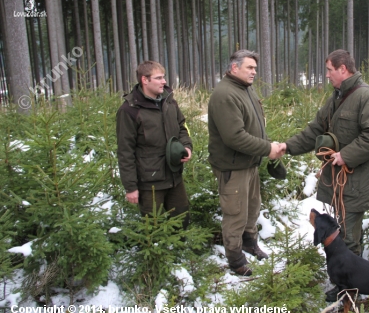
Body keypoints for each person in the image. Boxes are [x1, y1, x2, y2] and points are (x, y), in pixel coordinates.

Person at [279, 49, 369, 300]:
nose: (326, 74)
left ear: (343, 69)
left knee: (348, 238)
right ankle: (346, 282)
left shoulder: (367, 98)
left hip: (358, 183)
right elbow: (315, 130)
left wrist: (346, 155)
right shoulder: (336, 98)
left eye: (329, 69)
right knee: (344, 231)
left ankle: (349, 291)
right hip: (343, 184)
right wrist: (287, 147)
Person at [208, 49, 284, 276]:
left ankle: (249, 243)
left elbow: (254, 125)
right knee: (235, 214)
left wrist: (266, 148)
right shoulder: (225, 94)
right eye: (249, 68)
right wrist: (268, 149)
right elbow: (234, 137)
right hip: (233, 167)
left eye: (255, 68)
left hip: (249, 163)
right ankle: (235, 259)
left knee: (251, 209)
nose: (254, 72)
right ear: (234, 67)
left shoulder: (245, 89)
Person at [116, 60, 193, 229]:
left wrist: (186, 147)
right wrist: (130, 187)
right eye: (159, 78)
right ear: (145, 80)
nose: (164, 81)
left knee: (182, 218)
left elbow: (182, 127)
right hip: (149, 182)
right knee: (153, 227)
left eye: (163, 77)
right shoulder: (129, 110)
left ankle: (181, 254)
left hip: (175, 176)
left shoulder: (169, 102)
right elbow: (125, 151)